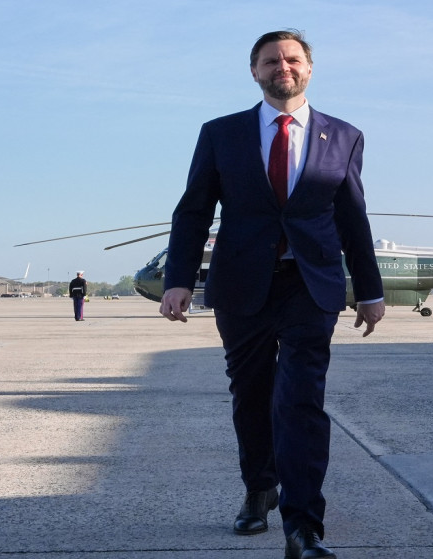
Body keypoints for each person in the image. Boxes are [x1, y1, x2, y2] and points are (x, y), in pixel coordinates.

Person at [159, 30, 384, 559]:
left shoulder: (345, 136)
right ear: (254, 71)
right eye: (270, 60)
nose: (283, 66)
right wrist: (178, 279)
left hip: (311, 285)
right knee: (252, 395)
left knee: (301, 401)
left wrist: (369, 290)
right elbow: (194, 209)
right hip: (241, 284)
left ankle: (303, 528)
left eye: (292, 58)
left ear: (309, 68)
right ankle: (260, 487)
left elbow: (353, 217)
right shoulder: (221, 133)